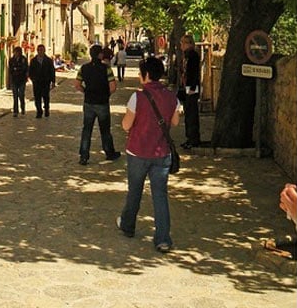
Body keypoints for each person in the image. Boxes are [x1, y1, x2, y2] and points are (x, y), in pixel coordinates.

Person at [117, 57, 181, 253]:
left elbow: (126, 124)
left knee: (134, 191)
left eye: (140, 73)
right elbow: (175, 122)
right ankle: (163, 238)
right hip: (161, 153)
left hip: (138, 151)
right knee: (160, 195)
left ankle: (128, 225)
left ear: (146, 75)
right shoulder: (172, 97)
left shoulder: (138, 97)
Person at [74, 44, 121, 165]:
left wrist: (86, 91)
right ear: (100, 54)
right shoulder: (106, 69)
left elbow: (77, 84)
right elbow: (113, 86)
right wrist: (106, 94)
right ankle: (109, 152)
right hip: (102, 103)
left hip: (89, 102)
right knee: (105, 129)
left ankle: (84, 156)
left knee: (86, 129)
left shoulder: (84, 68)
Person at [178, 34, 202, 149]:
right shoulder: (186, 56)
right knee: (188, 113)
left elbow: (194, 74)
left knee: (192, 113)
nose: (181, 45)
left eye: (183, 43)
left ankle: (193, 139)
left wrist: (192, 88)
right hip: (187, 87)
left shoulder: (193, 56)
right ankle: (189, 138)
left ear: (188, 43)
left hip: (192, 88)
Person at [29, 44, 56, 118]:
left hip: (45, 82)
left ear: (44, 51)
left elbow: (52, 71)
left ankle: (46, 109)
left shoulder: (48, 61)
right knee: (37, 97)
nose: (41, 52)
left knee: (46, 97)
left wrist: (53, 81)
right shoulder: (33, 61)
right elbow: (30, 71)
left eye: (42, 50)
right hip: (37, 82)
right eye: (39, 50)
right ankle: (39, 111)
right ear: (37, 51)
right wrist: (32, 79)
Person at [9, 46, 29, 117]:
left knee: (21, 95)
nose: (17, 53)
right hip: (14, 80)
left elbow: (25, 68)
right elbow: (10, 70)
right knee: (15, 96)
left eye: (18, 52)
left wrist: (18, 70)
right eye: (15, 52)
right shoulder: (11, 60)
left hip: (22, 80)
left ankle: (22, 108)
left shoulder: (23, 59)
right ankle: (15, 111)